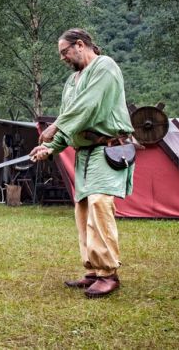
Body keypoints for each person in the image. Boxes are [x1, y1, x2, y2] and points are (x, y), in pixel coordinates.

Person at [30, 28, 134, 298]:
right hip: (85, 153)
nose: (63, 58)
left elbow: (87, 107)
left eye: (65, 52)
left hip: (109, 148)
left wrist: (55, 126)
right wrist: (50, 148)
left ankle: (109, 273)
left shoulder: (105, 67)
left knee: (100, 203)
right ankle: (93, 270)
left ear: (80, 44)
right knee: (84, 210)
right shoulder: (72, 81)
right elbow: (70, 121)